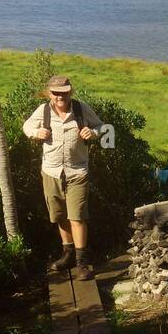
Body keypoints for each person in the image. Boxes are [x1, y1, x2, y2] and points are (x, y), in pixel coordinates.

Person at [23, 75, 103, 280]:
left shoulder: (80, 109)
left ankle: (81, 263)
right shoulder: (43, 111)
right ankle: (67, 254)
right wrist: (36, 133)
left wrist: (92, 133)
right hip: (51, 171)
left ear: (70, 92)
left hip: (77, 172)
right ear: (49, 93)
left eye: (64, 92)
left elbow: (101, 127)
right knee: (59, 216)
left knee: (77, 216)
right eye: (56, 93)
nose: (60, 97)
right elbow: (27, 127)